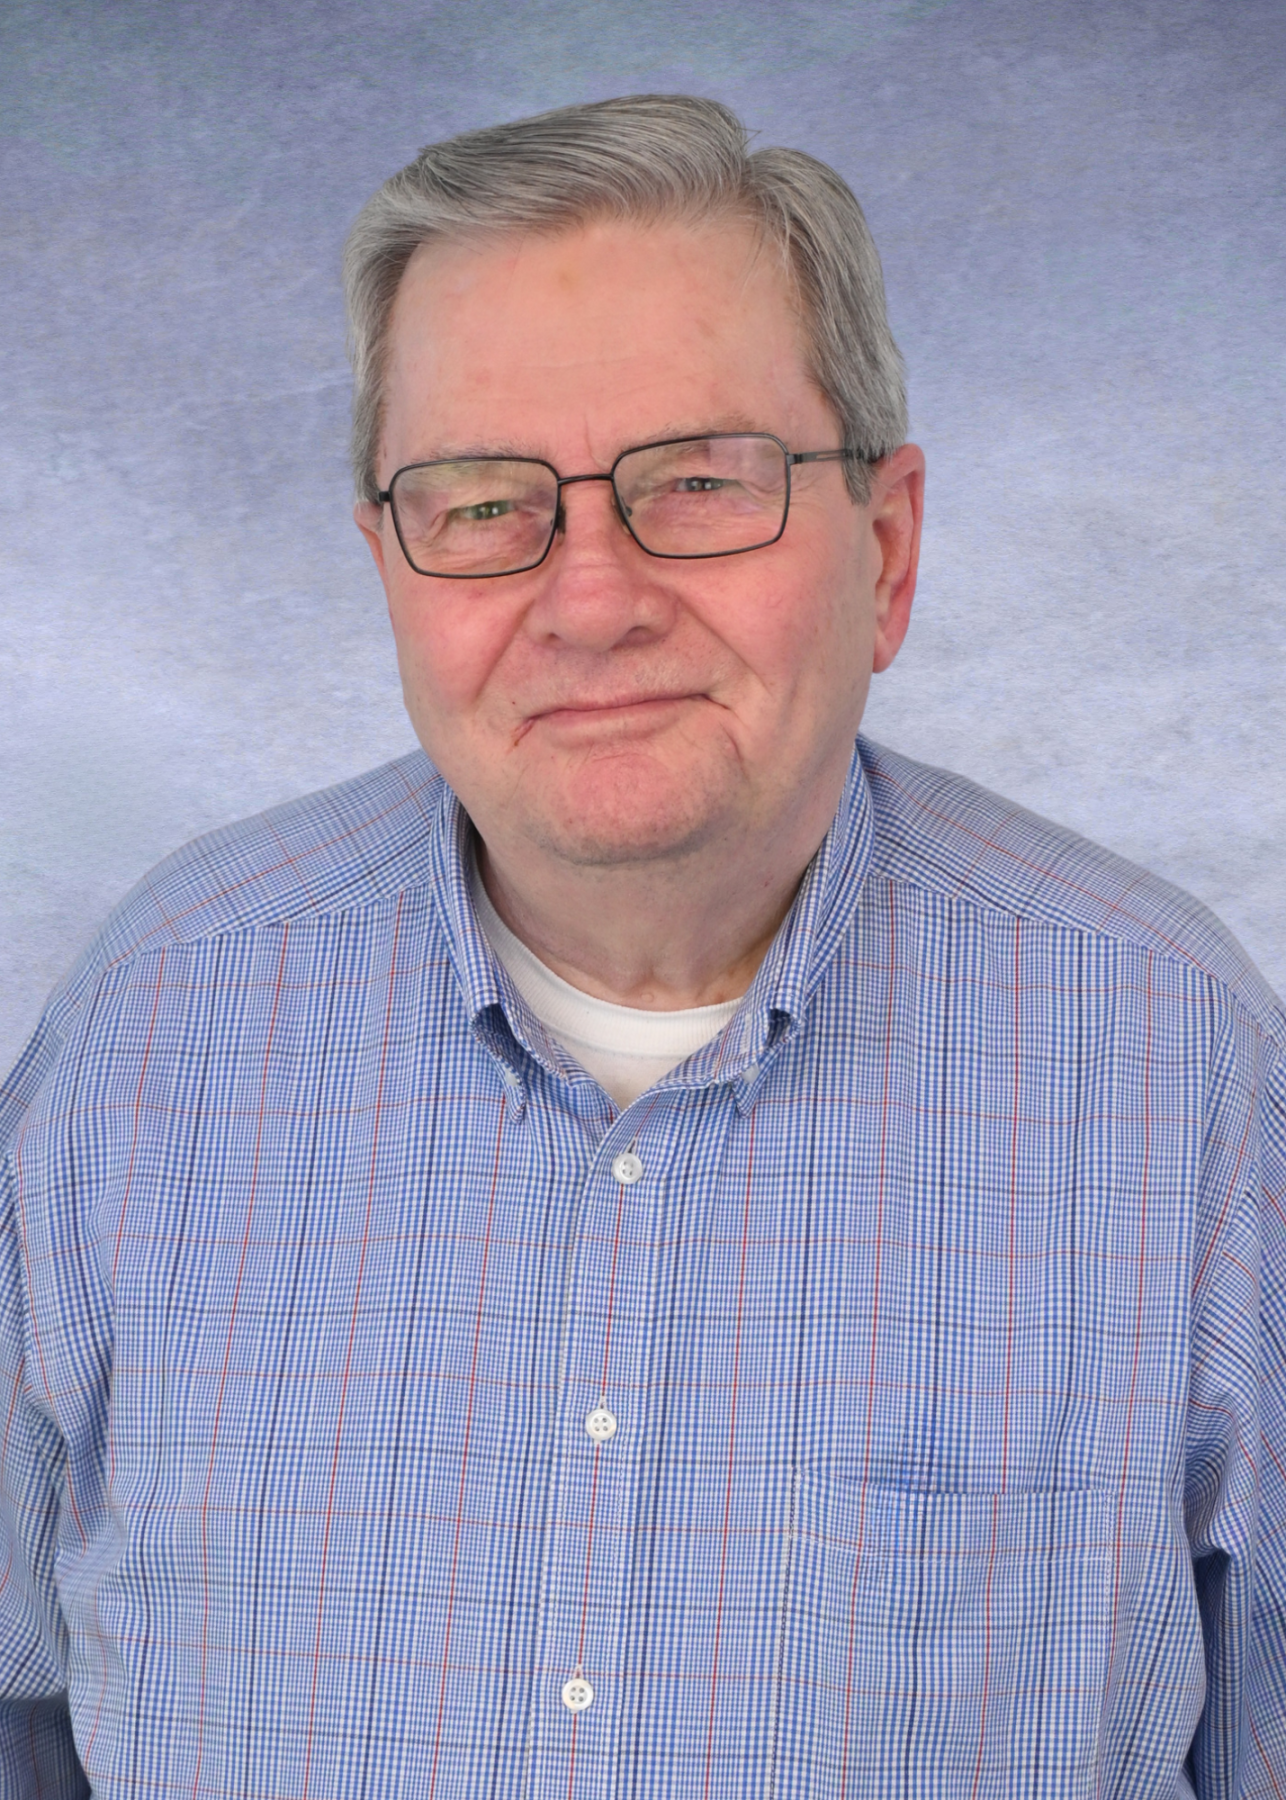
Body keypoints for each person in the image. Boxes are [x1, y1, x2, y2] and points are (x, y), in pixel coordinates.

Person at [1, 93, 1282, 1800]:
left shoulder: (1172, 1065)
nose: (589, 596)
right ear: (391, 558)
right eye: (478, 502)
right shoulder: (150, 1027)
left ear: (884, 552)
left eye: (697, 481)